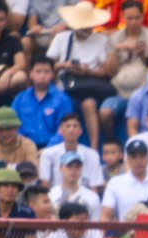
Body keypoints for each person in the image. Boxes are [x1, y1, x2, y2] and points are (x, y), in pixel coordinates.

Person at [46, 1, 116, 150]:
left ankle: (94, 148)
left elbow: (106, 72)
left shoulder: (101, 40)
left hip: (89, 87)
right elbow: (47, 66)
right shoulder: (62, 38)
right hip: (65, 87)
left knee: (89, 104)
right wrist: (65, 65)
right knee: (61, 101)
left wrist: (88, 72)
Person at [11, 56, 75, 150]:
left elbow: (64, 127)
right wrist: (26, 147)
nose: (42, 76)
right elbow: (14, 125)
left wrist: (48, 149)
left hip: (55, 148)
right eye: (38, 72)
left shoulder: (63, 99)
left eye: (46, 72)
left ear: (53, 74)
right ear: (30, 74)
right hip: (23, 148)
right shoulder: (20, 99)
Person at [100, 138, 148, 221]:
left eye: (142, 156)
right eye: (134, 157)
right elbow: (106, 215)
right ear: (128, 159)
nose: (138, 161)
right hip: (126, 232)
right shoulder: (116, 183)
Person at [38, 113, 104, 190]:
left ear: (80, 131)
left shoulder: (92, 155)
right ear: (60, 130)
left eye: (75, 126)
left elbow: (94, 186)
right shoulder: (48, 153)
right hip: (55, 197)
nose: (71, 130)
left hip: (84, 198)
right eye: (68, 126)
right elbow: (44, 183)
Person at [35, 200, 103, 238]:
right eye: (78, 220)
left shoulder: (94, 232)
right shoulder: (58, 233)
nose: (82, 224)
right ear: (65, 222)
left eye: (85, 220)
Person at [49, 151, 101, 219]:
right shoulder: (50, 195)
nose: (73, 170)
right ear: (61, 168)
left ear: (81, 169)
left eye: (77, 167)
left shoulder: (93, 197)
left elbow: (95, 227)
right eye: (69, 166)